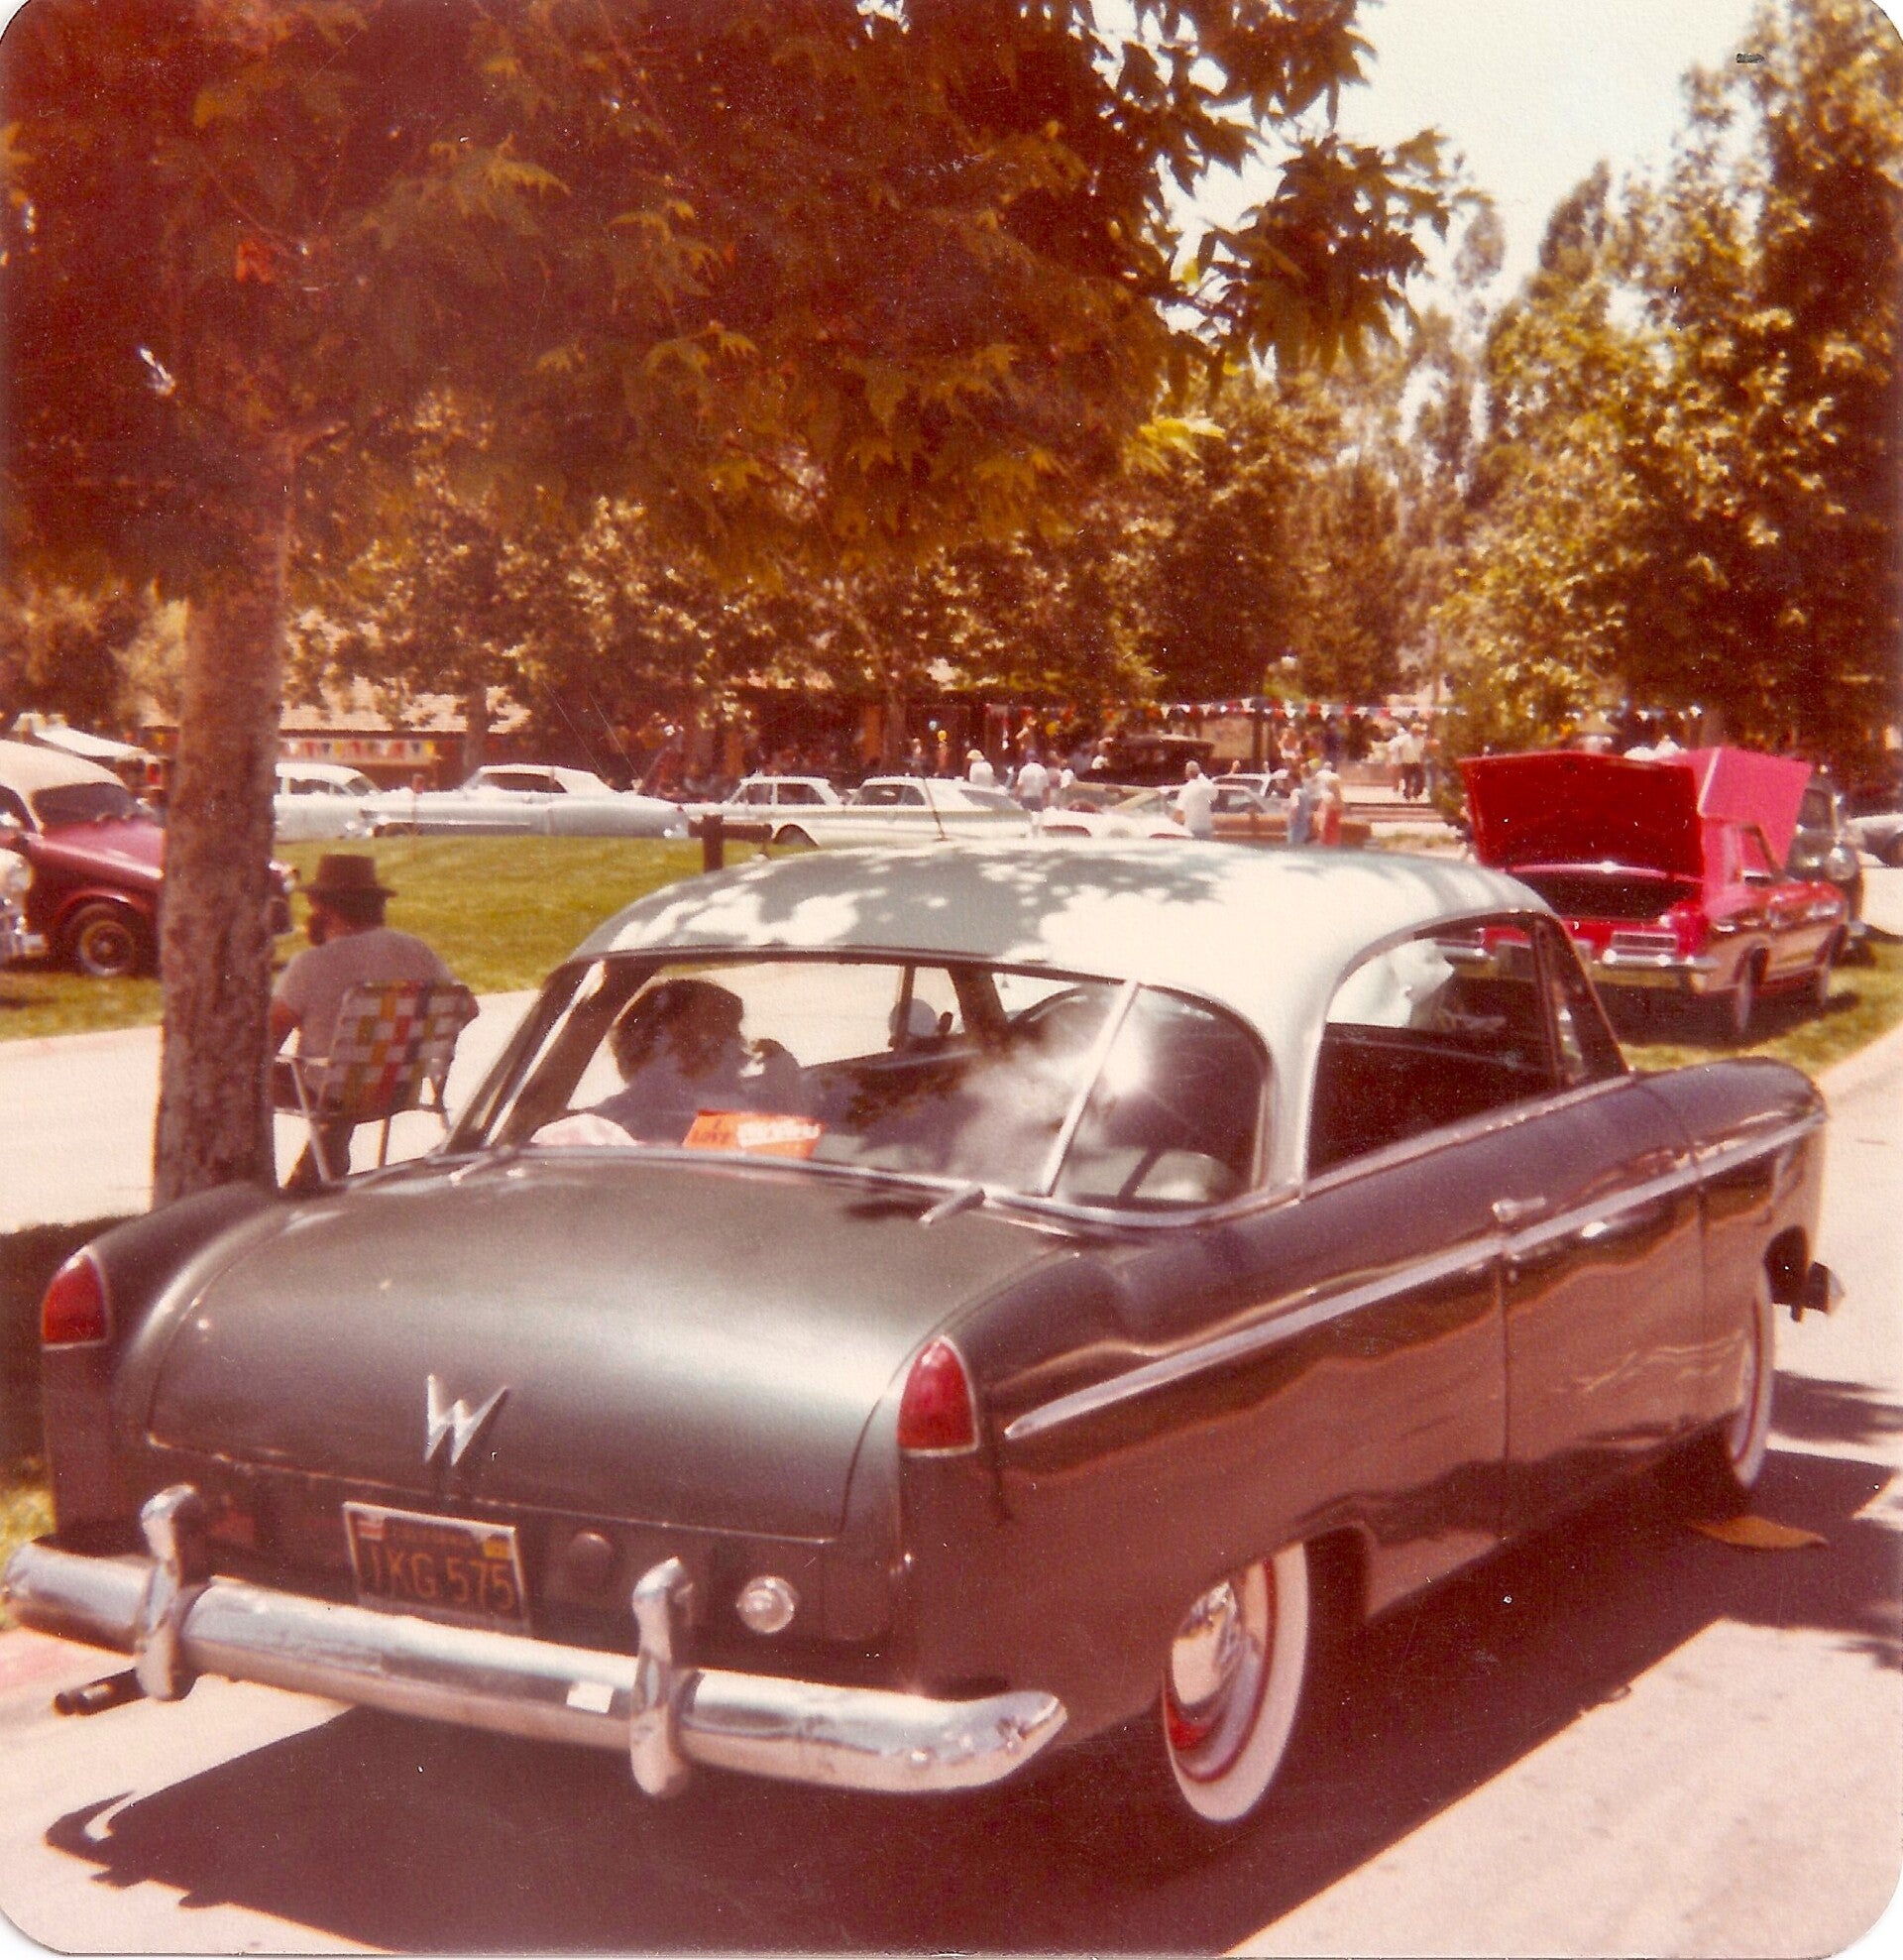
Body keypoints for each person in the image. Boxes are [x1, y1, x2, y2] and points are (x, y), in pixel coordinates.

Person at [271, 854, 458, 1191]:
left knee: (241, 1073)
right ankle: (316, 1169)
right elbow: (466, 1008)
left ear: (323, 907)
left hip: (328, 1091)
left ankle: (251, 1185)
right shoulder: (416, 951)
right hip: (399, 1086)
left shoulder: (311, 965)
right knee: (351, 1072)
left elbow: (265, 1041)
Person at [587, 978, 801, 1144]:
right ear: (684, 1049)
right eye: (726, 1034)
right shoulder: (731, 1116)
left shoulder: (602, 1120)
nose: (741, 1045)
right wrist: (788, 1090)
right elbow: (793, 1145)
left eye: (735, 1032)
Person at [1173, 759, 1216, 840]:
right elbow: (1214, 795)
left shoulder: (1186, 789)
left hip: (1192, 828)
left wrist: (1173, 825)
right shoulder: (1206, 787)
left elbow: (1179, 810)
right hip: (1206, 827)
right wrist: (1202, 776)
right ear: (1199, 772)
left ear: (1187, 773)